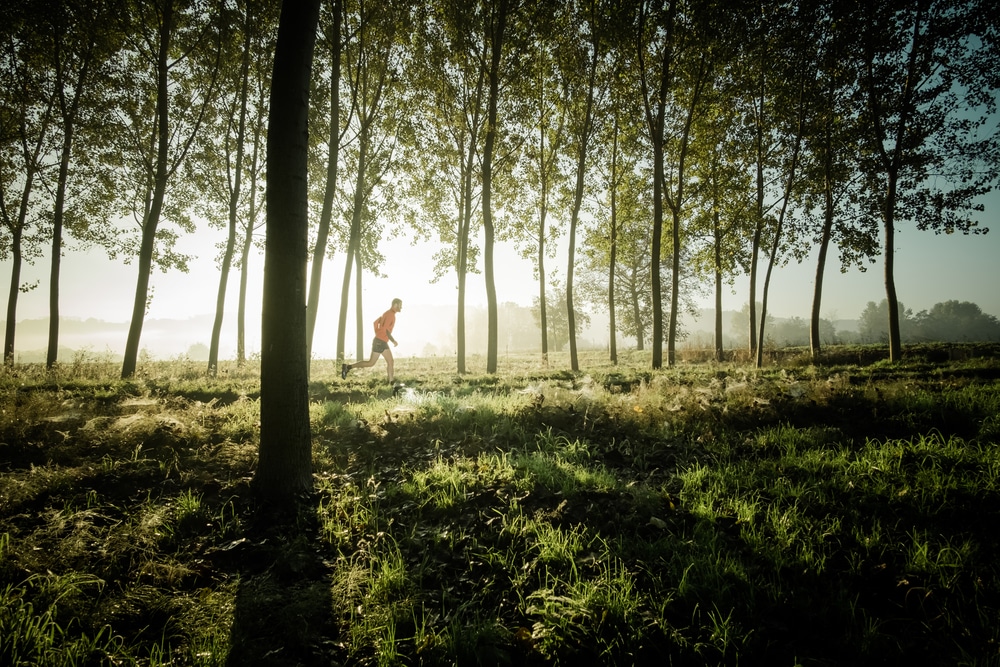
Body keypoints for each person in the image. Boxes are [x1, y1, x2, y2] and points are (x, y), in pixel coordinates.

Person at [342, 298, 402, 383]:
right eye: (400, 305)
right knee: (388, 362)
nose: (401, 307)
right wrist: (393, 341)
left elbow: (379, 325)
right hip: (380, 342)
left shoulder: (388, 313)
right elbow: (386, 330)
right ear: (395, 305)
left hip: (379, 341)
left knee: (372, 363)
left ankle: (347, 367)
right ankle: (391, 382)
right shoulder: (390, 315)